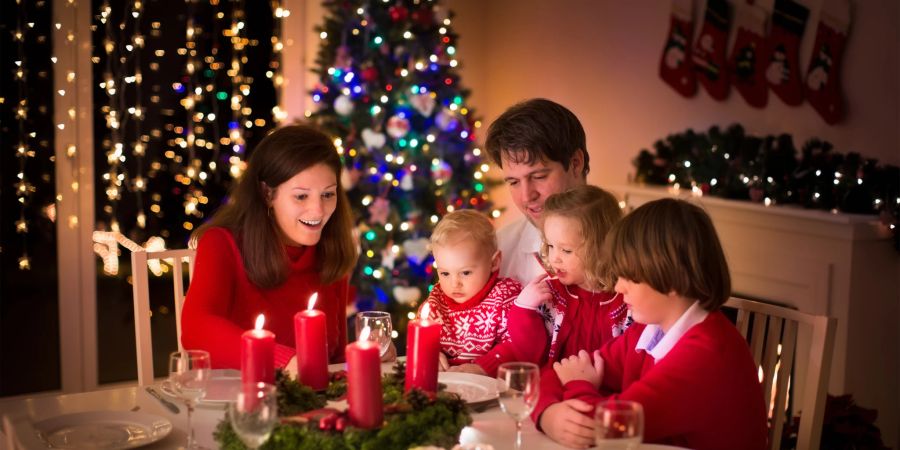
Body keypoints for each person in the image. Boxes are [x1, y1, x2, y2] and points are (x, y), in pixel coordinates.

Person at [539, 198, 768, 450]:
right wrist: (547, 414)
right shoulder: (649, 331)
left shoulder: (706, 355)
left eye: (629, 277)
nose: (617, 287)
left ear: (670, 278)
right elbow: (556, 373)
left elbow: (605, 429)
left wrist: (578, 385)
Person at [181, 124, 357, 371]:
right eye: (301, 196)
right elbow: (196, 328)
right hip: (235, 403)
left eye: (328, 195)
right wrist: (282, 361)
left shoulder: (331, 251)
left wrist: (365, 359)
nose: (318, 210)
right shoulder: (222, 243)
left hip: (311, 406)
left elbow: (335, 360)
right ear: (267, 194)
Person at [514, 185, 631, 367]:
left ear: (602, 248)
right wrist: (523, 310)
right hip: (554, 386)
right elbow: (530, 356)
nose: (554, 258)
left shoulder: (627, 301)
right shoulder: (550, 295)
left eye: (566, 250)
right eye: (550, 246)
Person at [485, 98, 589, 286]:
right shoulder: (497, 251)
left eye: (539, 176)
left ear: (575, 163)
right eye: (514, 182)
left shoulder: (631, 248)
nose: (526, 196)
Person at [420, 210, 523, 377]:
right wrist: (430, 353)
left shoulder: (506, 297)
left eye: (465, 273)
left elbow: (517, 344)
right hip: (445, 380)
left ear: (494, 262)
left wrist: (483, 367)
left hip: (490, 383)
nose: (454, 283)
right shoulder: (436, 302)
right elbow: (421, 338)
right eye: (445, 273)